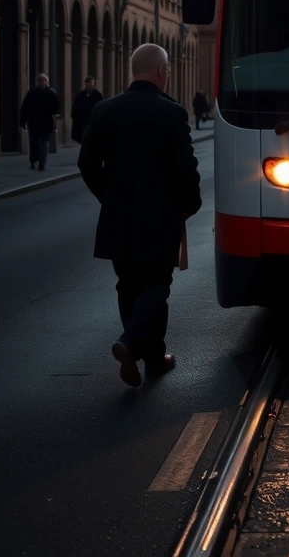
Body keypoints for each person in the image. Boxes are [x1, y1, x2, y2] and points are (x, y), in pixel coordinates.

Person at [77, 43, 202, 387]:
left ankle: (154, 358)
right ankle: (130, 344)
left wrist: (110, 197)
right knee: (156, 285)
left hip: (118, 217)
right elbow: (186, 171)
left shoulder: (104, 110)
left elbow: (86, 163)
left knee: (129, 285)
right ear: (162, 71)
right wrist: (189, 205)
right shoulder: (171, 113)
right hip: (160, 218)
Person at [19, 73, 61, 171]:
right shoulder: (32, 93)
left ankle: (42, 163)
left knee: (44, 143)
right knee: (33, 143)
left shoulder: (51, 93)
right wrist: (22, 122)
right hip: (34, 123)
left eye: (43, 80)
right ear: (37, 82)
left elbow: (57, 107)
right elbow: (25, 108)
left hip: (47, 123)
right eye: (40, 80)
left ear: (47, 82)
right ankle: (33, 160)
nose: (41, 82)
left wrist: (52, 112)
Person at [70, 76, 104, 144]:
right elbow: (75, 108)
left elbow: (101, 108)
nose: (89, 85)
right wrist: (76, 118)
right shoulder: (80, 95)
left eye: (91, 83)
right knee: (84, 139)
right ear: (85, 84)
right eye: (88, 83)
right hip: (82, 121)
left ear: (94, 84)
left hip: (93, 121)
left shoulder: (98, 95)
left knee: (92, 139)